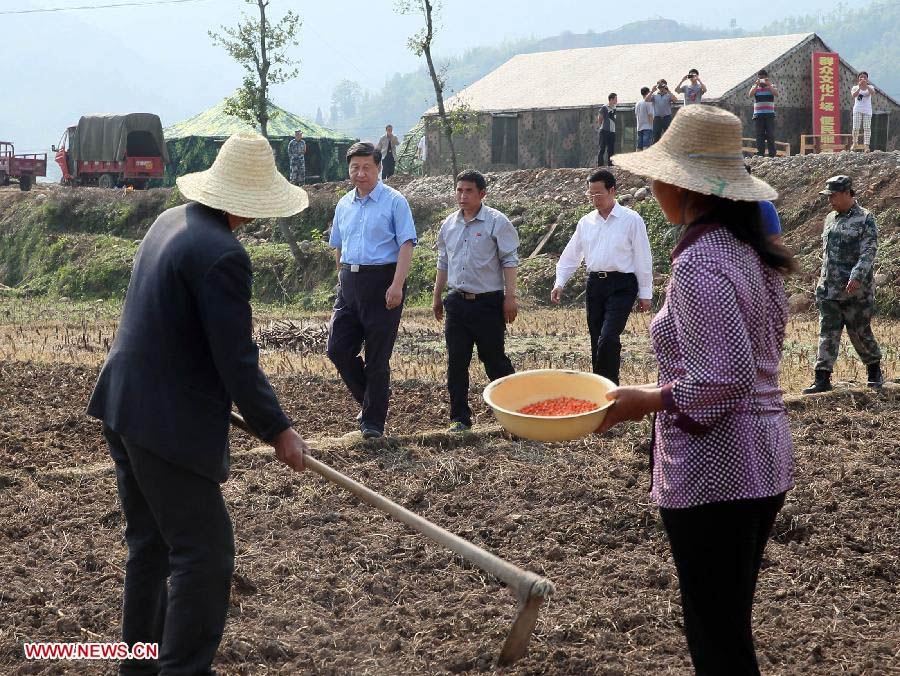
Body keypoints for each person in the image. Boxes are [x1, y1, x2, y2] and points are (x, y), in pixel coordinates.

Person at [86, 130, 311, 675]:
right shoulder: (223, 255)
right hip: (164, 423)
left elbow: (176, 329)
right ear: (246, 203)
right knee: (204, 555)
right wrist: (278, 429)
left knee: (151, 547)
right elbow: (237, 360)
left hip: (124, 404)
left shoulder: (171, 222)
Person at [608, 104, 798, 675]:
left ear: (683, 186)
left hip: (721, 469)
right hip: (763, 459)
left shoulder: (702, 261)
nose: (653, 184)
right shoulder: (752, 255)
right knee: (728, 626)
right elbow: (746, 363)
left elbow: (725, 374)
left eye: (660, 174)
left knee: (716, 637)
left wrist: (648, 400)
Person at [327, 142, 417, 438]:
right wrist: (341, 275)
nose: (360, 173)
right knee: (338, 349)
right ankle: (371, 401)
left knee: (377, 358)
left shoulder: (394, 201)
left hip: (383, 282)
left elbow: (406, 244)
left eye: (367, 167)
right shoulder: (344, 204)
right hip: (350, 283)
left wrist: (396, 284)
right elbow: (338, 244)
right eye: (355, 167)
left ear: (378, 168)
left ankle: (373, 424)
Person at [432, 170, 519, 432]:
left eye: (469, 190)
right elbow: (443, 262)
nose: (463, 195)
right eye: (459, 190)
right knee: (456, 361)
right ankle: (459, 418)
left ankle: (515, 414)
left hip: (488, 303)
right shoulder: (449, 224)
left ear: (482, 194)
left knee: (494, 360)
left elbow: (509, 260)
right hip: (457, 302)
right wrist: (437, 296)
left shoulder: (496, 222)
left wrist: (510, 297)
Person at [551, 169, 653, 384]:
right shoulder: (586, 222)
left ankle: (610, 387)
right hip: (596, 284)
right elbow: (572, 255)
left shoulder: (631, 219)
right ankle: (600, 388)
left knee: (608, 337)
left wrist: (645, 293)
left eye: (599, 194)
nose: (595, 199)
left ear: (612, 190)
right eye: (591, 194)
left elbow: (643, 257)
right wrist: (560, 282)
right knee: (596, 338)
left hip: (623, 284)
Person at [803, 175, 884, 394]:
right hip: (829, 288)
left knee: (859, 332)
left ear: (848, 193)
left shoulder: (865, 218)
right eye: (828, 196)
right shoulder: (830, 218)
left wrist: (856, 276)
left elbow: (868, 251)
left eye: (834, 195)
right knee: (827, 332)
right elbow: (826, 254)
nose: (830, 200)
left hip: (855, 291)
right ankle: (822, 378)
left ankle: (874, 372)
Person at [749, 69, 779, 157]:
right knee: (759, 135)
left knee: (770, 134)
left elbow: (776, 94)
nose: (762, 80)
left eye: (763, 78)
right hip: (758, 115)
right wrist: (756, 85)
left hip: (769, 115)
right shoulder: (755, 87)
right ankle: (760, 154)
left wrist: (769, 85)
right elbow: (750, 94)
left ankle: (772, 154)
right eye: (760, 78)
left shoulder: (772, 86)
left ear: (767, 78)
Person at [851, 72, 876, 150]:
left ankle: (866, 146)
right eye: (861, 77)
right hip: (857, 109)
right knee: (856, 128)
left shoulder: (871, 87)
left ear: (867, 79)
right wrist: (860, 86)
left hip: (867, 110)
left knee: (867, 128)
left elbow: (873, 93)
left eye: (865, 77)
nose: (863, 79)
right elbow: (854, 95)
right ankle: (855, 143)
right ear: (858, 79)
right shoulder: (855, 87)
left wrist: (866, 86)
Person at [597, 93, 618, 166]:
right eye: (615, 99)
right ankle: (600, 164)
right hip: (604, 131)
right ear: (611, 99)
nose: (616, 100)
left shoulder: (615, 108)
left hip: (612, 131)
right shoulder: (605, 107)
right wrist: (601, 127)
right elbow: (600, 117)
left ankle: (611, 164)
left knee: (611, 149)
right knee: (602, 148)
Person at [634, 86, 654, 151]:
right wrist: (651, 126)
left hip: (639, 128)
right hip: (647, 127)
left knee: (639, 147)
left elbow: (636, 114)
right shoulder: (648, 102)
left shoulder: (638, 103)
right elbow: (650, 115)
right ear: (648, 92)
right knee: (646, 146)